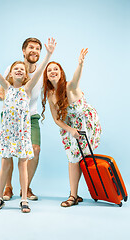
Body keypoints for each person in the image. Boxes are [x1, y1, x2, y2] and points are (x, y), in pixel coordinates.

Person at [0, 38, 56, 212]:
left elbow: (40, 70)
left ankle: (24, 198)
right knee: (5, 163)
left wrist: (49, 54)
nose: (19, 70)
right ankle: (0, 196)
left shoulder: (27, 88)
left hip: (22, 132)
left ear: (26, 76)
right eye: (16, 69)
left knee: (23, 164)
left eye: (22, 69)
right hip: (7, 133)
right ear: (11, 74)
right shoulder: (7, 85)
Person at [41, 48, 102, 207]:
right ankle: (74, 194)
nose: (53, 71)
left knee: (74, 159)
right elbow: (56, 119)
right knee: (74, 158)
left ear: (61, 73)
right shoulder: (50, 94)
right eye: (50, 70)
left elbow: (76, 79)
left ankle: (73, 196)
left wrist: (80, 64)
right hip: (70, 125)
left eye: (56, 69)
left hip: (85, 121)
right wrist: (71, 130)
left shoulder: (69, 86)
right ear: (46, 76)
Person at [0, 38, 44, 201]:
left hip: (31, 115)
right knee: (8, 153)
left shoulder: (41, 72)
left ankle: (25, 187)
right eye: (31, 47)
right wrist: (0, 95)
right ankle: (8, 187)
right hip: (11, 117)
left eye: (37, 48)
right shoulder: (13, 68)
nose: (34, 50)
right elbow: (3, 90)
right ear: (24, 50)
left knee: (34, 150)